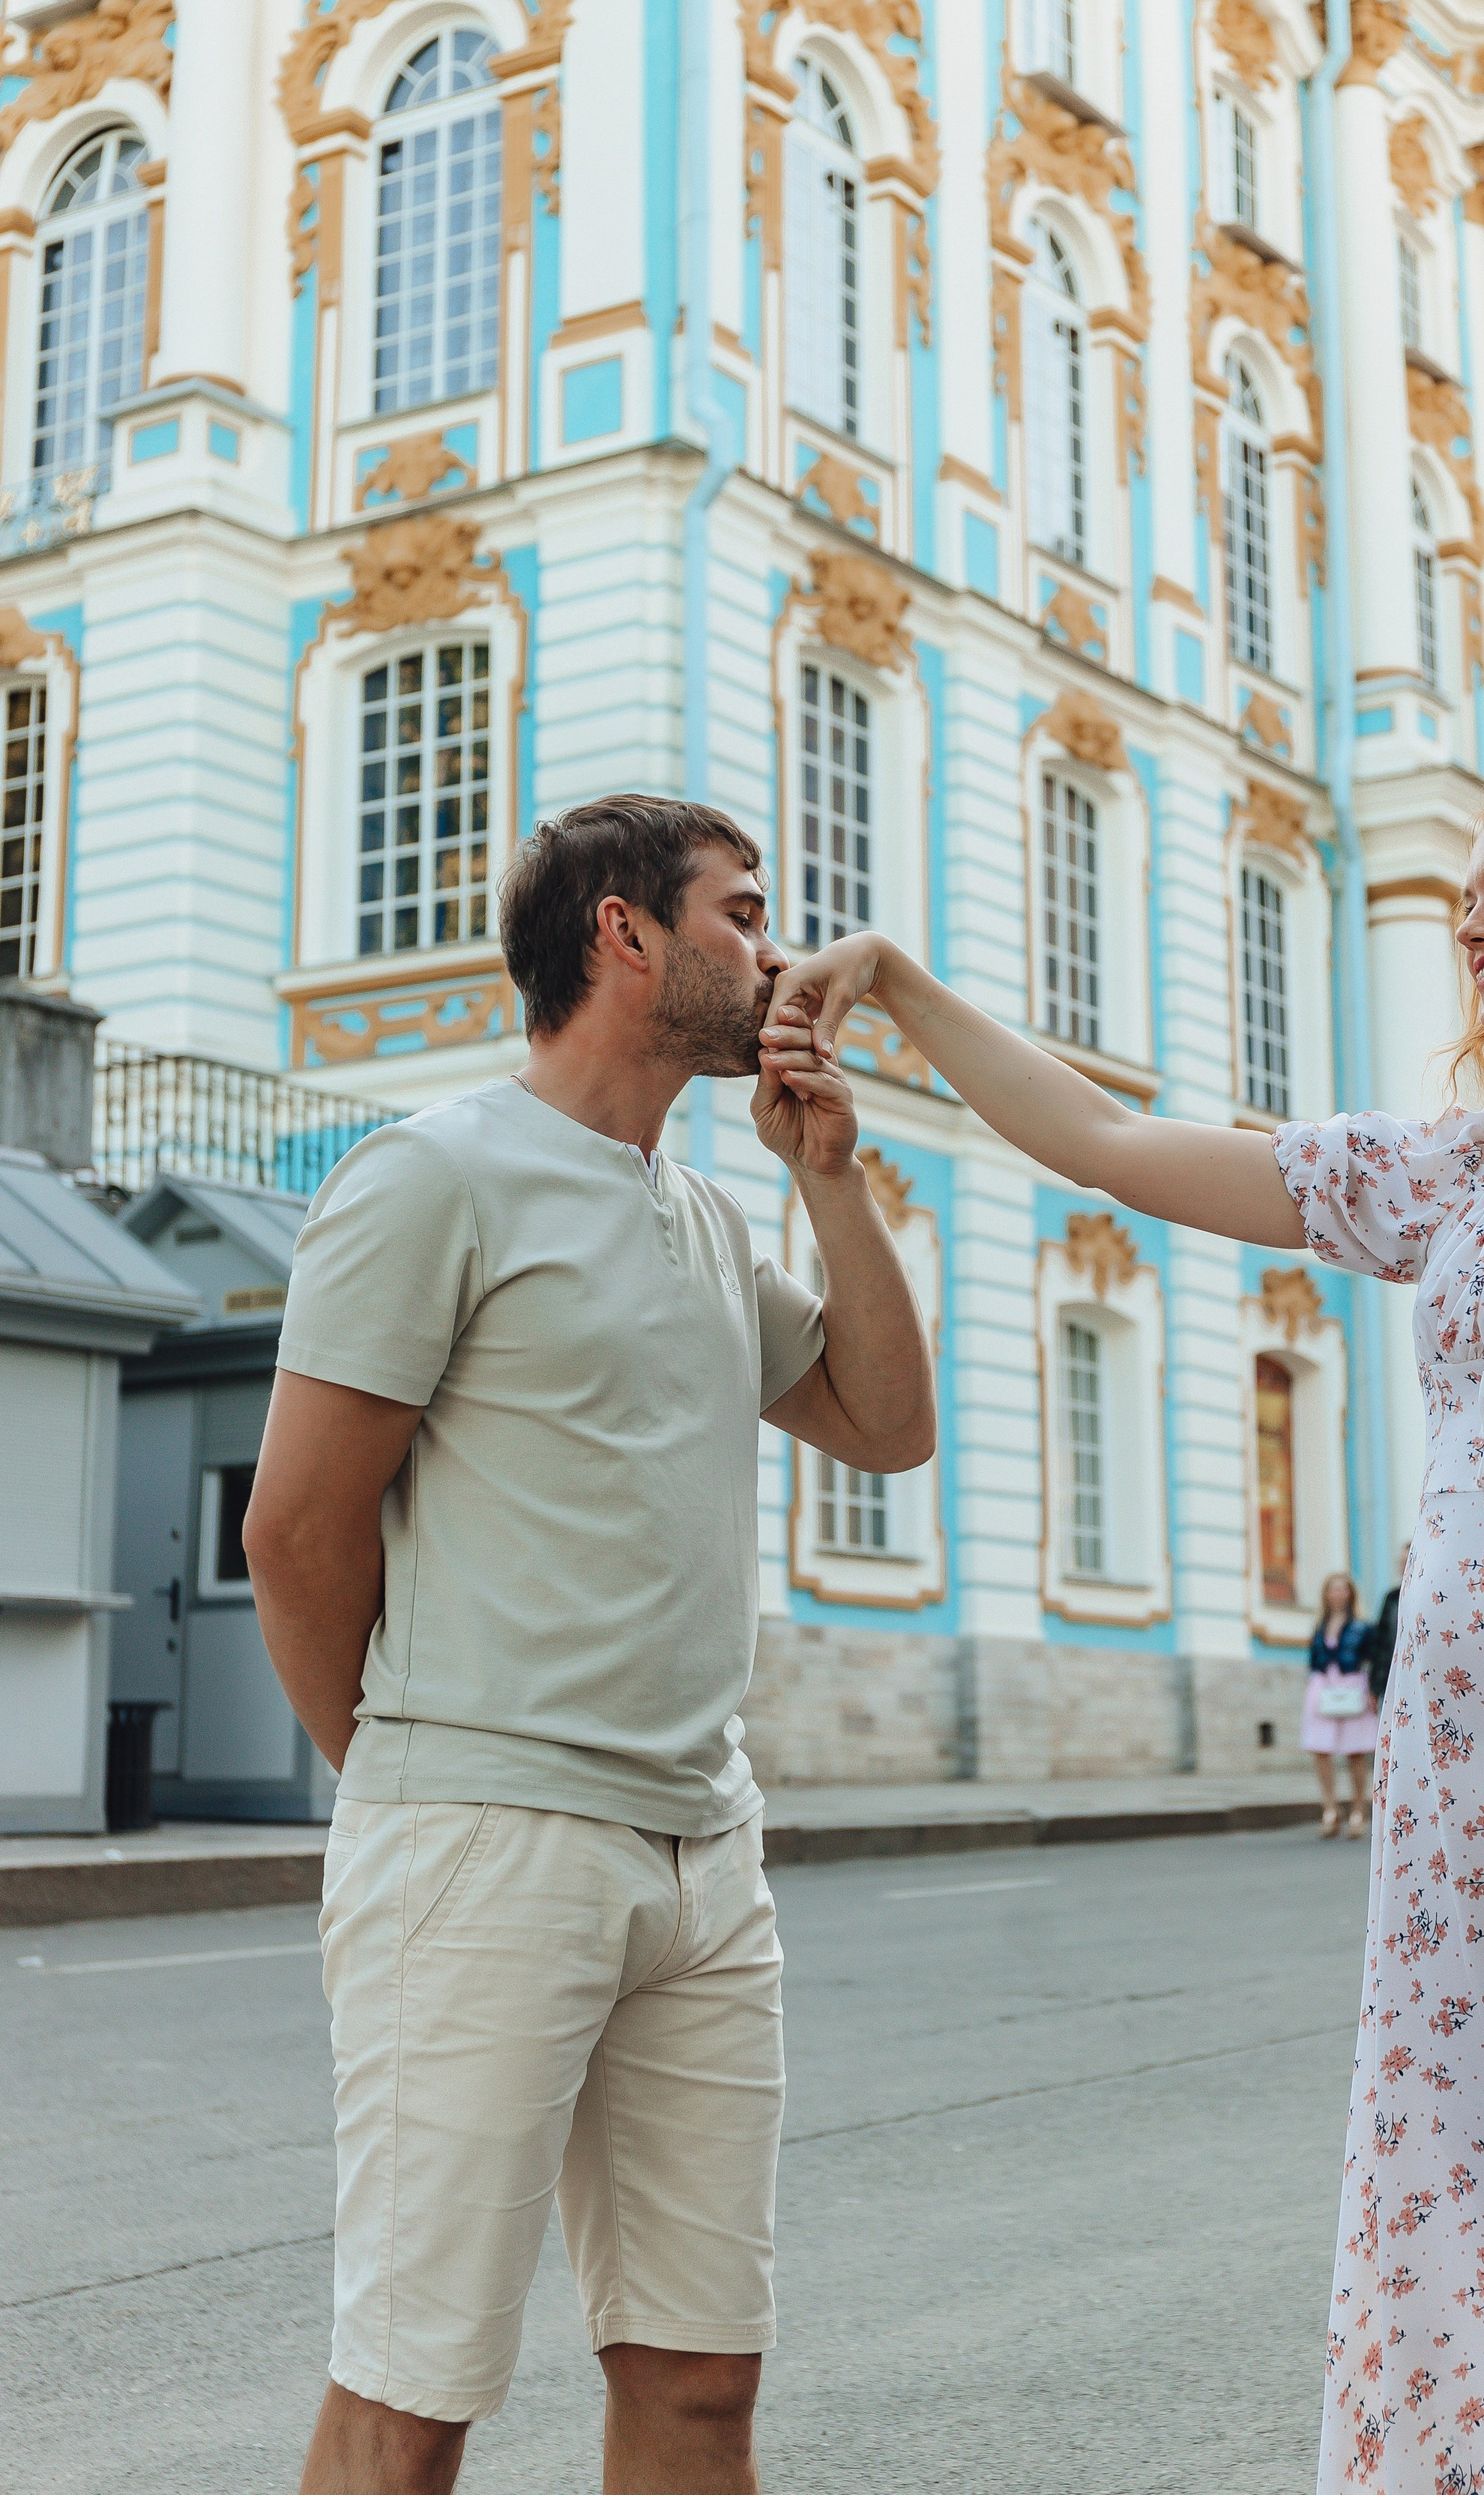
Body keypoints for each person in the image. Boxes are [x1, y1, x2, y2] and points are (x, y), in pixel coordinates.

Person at [760, 773, 1484, 2493]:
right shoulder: (1453, 1167)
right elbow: (1109, 1147)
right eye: (1460, 885)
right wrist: (905, 990)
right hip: (1457, 1805)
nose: (1466, 916)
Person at [245, 794, 935, 2495]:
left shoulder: (702, 1213)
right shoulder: (437, 1173)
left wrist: (825, 1183)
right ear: (623, 934)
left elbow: (883, 1422)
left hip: (706, 1860)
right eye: (739, 915)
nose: (770, 954)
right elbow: (297, 1531)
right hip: (484, 1843)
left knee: (702, 2385)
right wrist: (415, 1770)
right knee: (410, 2402)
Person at [1302, 1569, 1378, 1838]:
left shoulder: (1362, 1626)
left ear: (1350, 1594)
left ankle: (1358, 1811)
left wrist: (1373, 1691)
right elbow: (1313, 1659)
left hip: (1352, 1686)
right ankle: (1330, 1809)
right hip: (1322, 1686)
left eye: (1342, 1589)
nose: (1337, 1594)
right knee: (1319, 1748)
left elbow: (1372, 1657)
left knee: (1355, 1752)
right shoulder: (1319, 1626)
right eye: (1332, 1589)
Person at [1366, 1542, 1409, 1711]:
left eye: (1408, 1562)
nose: (1404, 1568)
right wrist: (1375, 1686)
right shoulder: (1391, 1599)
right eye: (1402, 1563)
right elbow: (1381, 1644)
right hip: (1393, 1679)